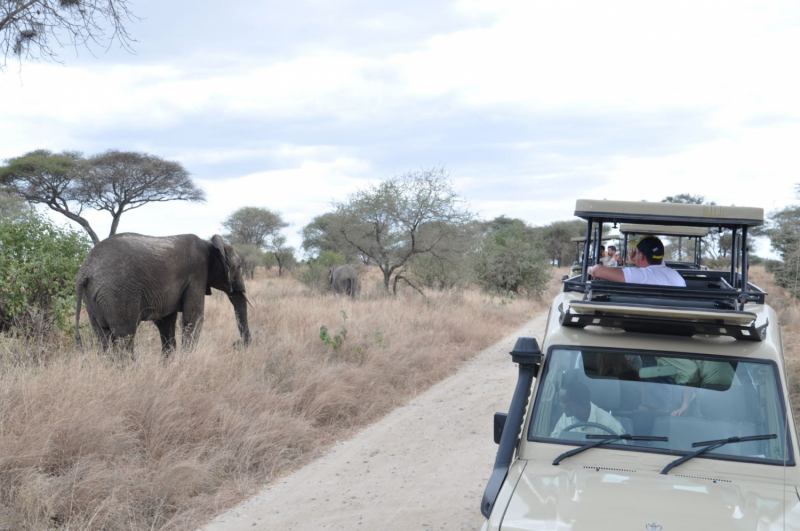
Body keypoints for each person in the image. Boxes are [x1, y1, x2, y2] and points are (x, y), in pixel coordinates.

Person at [588, 236, 686, 287]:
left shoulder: (640, 275)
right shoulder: (676, 275)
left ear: (642, 256)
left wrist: (592, 268)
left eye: (637, 252)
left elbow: (597, 271)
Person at [550, 381, 625, 437]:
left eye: (562, 402)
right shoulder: (565, 417)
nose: (560, 404)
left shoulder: (611, 426)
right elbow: (554, 439)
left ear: (573, 406)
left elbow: (620, 455)